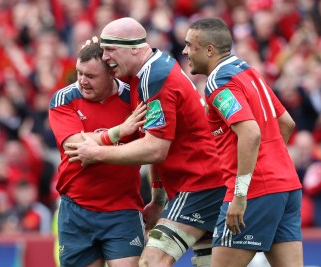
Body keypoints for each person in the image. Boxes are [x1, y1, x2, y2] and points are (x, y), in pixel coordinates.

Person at [65, 17, 226, 267]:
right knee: (210, 263)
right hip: (204, 181)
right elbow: (161, 141)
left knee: (151, 261)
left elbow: (155, 148)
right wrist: (159, 200)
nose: (106, 57)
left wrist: (96, 152)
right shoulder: (144, 72)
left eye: (110, 49)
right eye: (104, 49)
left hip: (200, 184)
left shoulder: (154, 77)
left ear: (135, 49)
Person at [183, 18, 303, 267]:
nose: (184, 52)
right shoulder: (248, 72)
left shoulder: (218, 82)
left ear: (209, 50)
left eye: (189, 45)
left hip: (254, 192)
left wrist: (240, 194)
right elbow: (287, 123)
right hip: (287, 187)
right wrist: (272, 167)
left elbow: (250, 133)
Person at [48, 42, 147, 267]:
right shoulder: (64, 98)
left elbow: (152, 147)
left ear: (112, 73)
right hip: (77, 209)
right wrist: (119, 132)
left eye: (90, 76)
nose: (82, 81)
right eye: (79, 73)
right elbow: (74, 145)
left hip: (123, 209)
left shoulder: (134, 97)